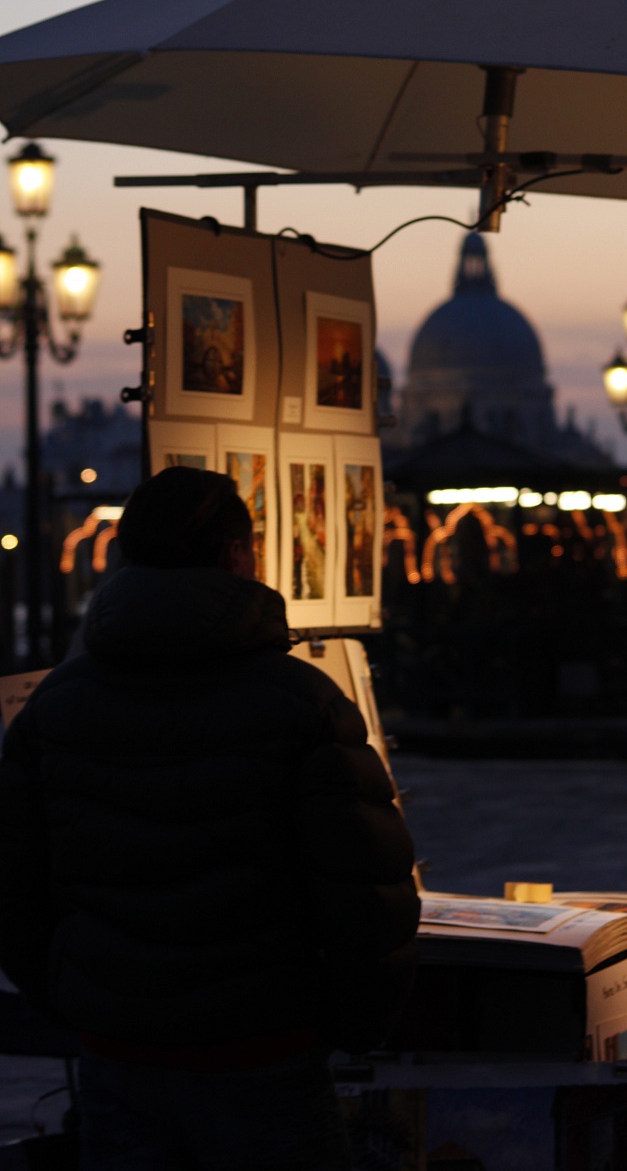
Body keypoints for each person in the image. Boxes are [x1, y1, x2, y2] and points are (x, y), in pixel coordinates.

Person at [0, 465, 420, 1170]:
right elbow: (364, 890)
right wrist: (353, 1024)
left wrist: (75, 1005)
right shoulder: (301, 704)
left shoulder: (53, 707)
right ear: (234, 555)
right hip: (264, 1054)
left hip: (116, 1055)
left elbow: (16, 885)